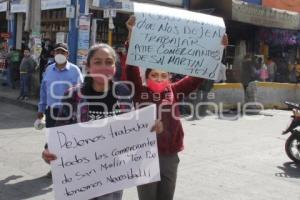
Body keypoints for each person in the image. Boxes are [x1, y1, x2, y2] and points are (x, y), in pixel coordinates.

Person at [41, 43, 163, 200]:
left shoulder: (123, 92)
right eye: (98, 62)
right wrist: (48, 149)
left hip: (114, 175)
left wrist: (150, 128)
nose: (104, 67)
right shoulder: (74, 94)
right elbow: (60, 129)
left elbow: (131, 131)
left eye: (109, 62)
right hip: (81, 176)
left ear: (115, 66)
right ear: (88, 66)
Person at [125, 16, 228, 200]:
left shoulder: (174, 90)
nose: (158, 78)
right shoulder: (139, 90)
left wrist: (218, 48)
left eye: (163, 75)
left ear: (169, 77)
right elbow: (131, 66)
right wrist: (132, 32)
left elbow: (197, 76)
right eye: (154, 74)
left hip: (169, 155)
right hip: (144, 154)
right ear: (146, 76)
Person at [37, 43, 83, 128]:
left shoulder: (75, 70)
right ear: (53, 53)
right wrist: (41, 109)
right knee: (51, 138)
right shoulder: (48, 69)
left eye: (63, 52)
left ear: (67, 54)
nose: (59, 54)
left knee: (67, 139)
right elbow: (43, 90)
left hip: (68, 112)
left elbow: (81, 93)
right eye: (57, 52)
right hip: (51, 111)